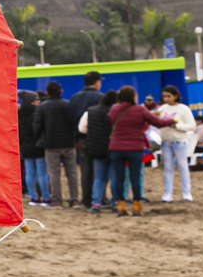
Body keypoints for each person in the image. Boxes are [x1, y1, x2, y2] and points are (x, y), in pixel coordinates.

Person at [107, 86, 175, 216]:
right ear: (133, 97)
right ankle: (136, 206)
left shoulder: (114, 109)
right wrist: (173, 120)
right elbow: (158, 123)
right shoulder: (139, 109)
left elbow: (111, 120)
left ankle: (120, 206)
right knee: (135, 177)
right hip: (135, 148)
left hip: (116, 148)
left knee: (119, 178)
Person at [33, 80, 80, 207]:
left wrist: (40, 139)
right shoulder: (69, 105)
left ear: (47, 93)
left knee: (54, 174)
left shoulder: (42, 107)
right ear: (61, 91)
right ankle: (74, 199)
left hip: (51, 144)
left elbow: (37, 126)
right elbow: (75, 123)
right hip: (69, 143)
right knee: (72, 173)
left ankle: (57, 201)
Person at [79, 89, 118, 212]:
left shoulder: (90, 111)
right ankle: (115, 203)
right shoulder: (116, 112)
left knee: (99, 177)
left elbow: (82, 129)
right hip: (113, 147)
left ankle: (96, 202)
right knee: (114, 176)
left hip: (96, 148)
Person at [154, 86, 195, 203]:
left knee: (182, 166)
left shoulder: (183, 109)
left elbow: (191, 125)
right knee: (167, 167)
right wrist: (156, 118)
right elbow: (158, 126)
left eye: (169, 96)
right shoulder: (162, 108)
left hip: (179, 141)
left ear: (175, 96)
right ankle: (168, 193)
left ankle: (186, 192)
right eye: (164, 96)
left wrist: (176, 126)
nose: (166, 99)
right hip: (166, 141)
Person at [69, 71, 104, 202]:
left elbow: (70, 117)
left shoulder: (74, 97)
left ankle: (86, 199)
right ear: (97, 82)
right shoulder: (100, 97)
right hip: (97, 139)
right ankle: (98, 198)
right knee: (99, 171)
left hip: (81, 139)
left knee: (85, 170)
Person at [17, 91, 50, 206]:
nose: (39, 101)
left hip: (25, 146)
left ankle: (33, 196)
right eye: (37, 100)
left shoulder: (20, 114)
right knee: (42, 173)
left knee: (29, 172)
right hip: (38, 145)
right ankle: (45, 197)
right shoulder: (37, 112)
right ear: (32, 102)